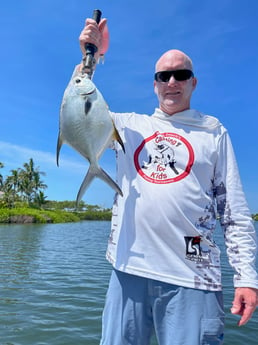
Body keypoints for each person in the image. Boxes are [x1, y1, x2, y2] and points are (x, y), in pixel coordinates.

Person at [77, 18, 258, 345]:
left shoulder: (213, 131)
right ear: (155, 84)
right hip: (127, 270)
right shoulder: (128, 126)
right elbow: (80, 110)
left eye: (181, 75)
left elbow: (233, 212)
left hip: (193, 277)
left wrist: (246, 277)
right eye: (164, 76)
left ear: (193, 82)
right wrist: (90, 62)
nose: (172, 81)